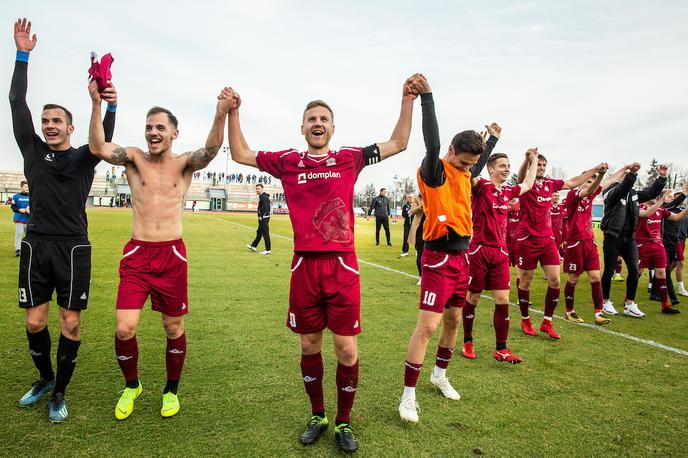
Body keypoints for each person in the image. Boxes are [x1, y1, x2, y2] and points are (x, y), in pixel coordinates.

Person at [226, 74, 421, 453]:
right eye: (311, 119)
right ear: (302, 128)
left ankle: (344, 420)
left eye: (324, 119)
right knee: (309, 346)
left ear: (333, 127)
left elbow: (398, 142)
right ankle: (318, 415)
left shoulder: (349, 158)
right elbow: (240, 154)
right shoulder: (287, 161)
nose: (318, 123)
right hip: (304, 268)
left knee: (347, 350)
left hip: (341, 267)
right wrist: (234, 112)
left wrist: (407, 100)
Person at [88, 82, 230, 419]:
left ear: (174, 133)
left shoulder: (184, 164)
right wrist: (96, 104)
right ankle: (132, 385)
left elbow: (210, 150)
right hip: (137, 254)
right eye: (149, 127)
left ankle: (171, 390)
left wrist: (220, 114)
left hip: (171, 256)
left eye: (160, 127)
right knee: (124, 328)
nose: (153, 132)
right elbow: (97, 147)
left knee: (173, 328)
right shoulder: (133, 159)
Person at [10, 18, 117, 422]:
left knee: (70, 323)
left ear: (70, 127)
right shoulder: (33, 152)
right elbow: (16, 103)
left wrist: (109, 104)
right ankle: (43, 378)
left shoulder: (84, 155)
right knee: (35, 319)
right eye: (46, 121)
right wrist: (23, 55)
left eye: (57, 121)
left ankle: (59, 392)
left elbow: (102, 138)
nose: (49, 125)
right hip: (36, 243)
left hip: (73, 246)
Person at [398, 76, 500, 423]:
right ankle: (408, 396)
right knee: (427, 327)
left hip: (462, 259)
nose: (469, 170)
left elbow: (479, 161)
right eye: (464, 162)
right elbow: (432, 143)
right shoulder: (436, 170)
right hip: (438, 258)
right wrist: (427, 97)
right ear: (452, 152)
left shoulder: (465, 170)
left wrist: (494, 139)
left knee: (454, 321)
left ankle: (439, 375)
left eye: (473, 165)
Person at [515, 153, 604, 339]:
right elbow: (521, 175)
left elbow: (572, 183)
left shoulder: (550, 184)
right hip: (527, 239)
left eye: (543, 164)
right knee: (525, 281)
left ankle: (547, 322)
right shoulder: (526, 183)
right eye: (538, 164)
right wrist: (527, 160)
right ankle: (525, 319)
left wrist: (595, 169)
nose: (541, 167)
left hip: (547, 240)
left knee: (555, 280)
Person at [462, 148, 538, 364]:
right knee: (473, 297)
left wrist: (531, 161)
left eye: (508, 166)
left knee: (503, 299)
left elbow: (528, 184)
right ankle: (467, 340)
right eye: (502, 166)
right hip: (479, 249)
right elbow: (470, 172)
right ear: (491, 169)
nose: (506, 169)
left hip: (501, 252)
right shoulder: (481, 186)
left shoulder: (508, 192)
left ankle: (502, 349)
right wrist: (487, 145)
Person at [600, 163, 667, 317]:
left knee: (634, 270)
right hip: (612, 236)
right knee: (609, 270)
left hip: (629, 237)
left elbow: (651, 193)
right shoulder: (610, 192)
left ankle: (630, 303)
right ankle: (605, 301)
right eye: (625, 175)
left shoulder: (633, 193)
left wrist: (661, 178)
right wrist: (631, 174)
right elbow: (622, 189)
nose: (627, 177)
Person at [561, 169, 613, 325]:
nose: (590, 184)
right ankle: (569, 311)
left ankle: (599, 313)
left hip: (590, 242)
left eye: (592, 181)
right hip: (575, 243)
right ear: (580, 181)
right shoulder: (572, 195)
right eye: (588, 180)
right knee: (573, 278)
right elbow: (593, 188)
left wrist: (626, 170)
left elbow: (607, 183)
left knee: (595, 277)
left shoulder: (590, 197)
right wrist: (600, 175)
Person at [635, 191, 688, 314]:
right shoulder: (638, 208)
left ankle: (665, 305)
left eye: (657, 195)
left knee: (662, 273)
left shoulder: (661, 210)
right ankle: (629, 299)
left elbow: (677, 217)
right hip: (642, 245)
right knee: (637, 272)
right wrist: (661, 201)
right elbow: (648, 213)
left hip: (658, 246)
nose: (655, 197)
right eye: (654, 194)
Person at [246, 183, 272, 254]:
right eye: (256, 189)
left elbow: (266, 208)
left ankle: (268, 249)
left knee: (265, 233)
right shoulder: (262, 196)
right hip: (263, 218)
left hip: (264, 218)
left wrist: (261, 217)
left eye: (258, 189)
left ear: (262, 189)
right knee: (259, 233)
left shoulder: (263, 197)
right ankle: (253, 246)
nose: (257, 190)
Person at [407, 194, 425, 285]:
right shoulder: (417, 199)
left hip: (432, 230)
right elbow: (412, 211)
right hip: (419, 231)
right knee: (420, 255)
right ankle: (421, 276)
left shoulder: (434, 196)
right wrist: (421, 206)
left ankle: (430, 277)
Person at [11, 180, 30, 256]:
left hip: (29, 220)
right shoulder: (16, 196)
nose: (27, 188)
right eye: (25, 186)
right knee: (19, 234)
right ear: (21, 187)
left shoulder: (32, 196)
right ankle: (17, 250)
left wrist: (29, 209)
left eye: (28, 186)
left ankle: (27, 249)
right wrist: (19, 210)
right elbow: (13, 207)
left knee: (28, 235)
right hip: (19, 219)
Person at [550, 192, 565, 257]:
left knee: (557, 247)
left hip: (558, 232)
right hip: (549, 232)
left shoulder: (562, 207)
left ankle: (557, 258)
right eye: (555, 196)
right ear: (551, 197)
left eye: (558, 196)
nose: (557, 197)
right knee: (550, 248)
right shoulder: (546, 206)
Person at [677, 215, 688, 296]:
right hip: (676, 240)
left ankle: (658, 281)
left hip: (682, 239)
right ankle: (681, 288)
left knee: (673, 264)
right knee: (681, 263)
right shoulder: (671, 208)